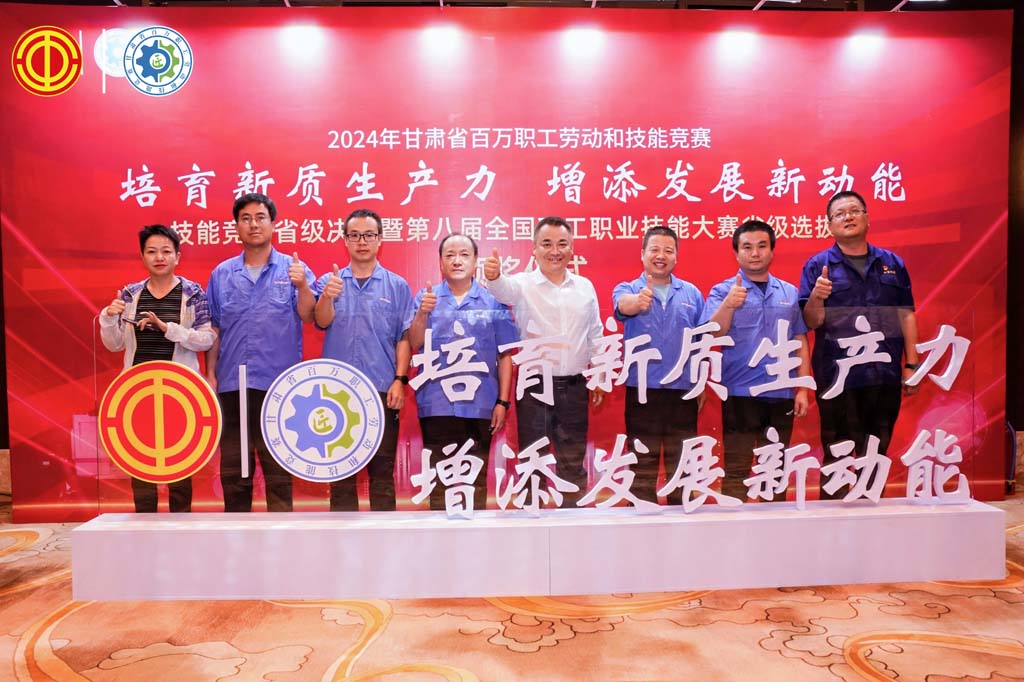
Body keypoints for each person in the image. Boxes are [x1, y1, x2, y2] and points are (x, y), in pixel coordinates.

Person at [799, 190, 919, 499]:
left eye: (854, 210)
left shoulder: (892, 263)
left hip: (884, 373)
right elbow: (810, 322)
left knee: (876, 451)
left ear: (867, 218)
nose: (848, 217)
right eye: (839, 214)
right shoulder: (818, 266)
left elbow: (906, 314)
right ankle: (832, 520)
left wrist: (912, 365)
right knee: (837, 451)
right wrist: (817, 296)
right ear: (829, 225)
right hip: (837, 377)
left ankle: (870, 517)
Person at [484, 216, 603, 508]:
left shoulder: (585, 287)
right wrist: (494, 276)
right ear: (535, 249)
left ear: (572, 248)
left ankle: (572, 522)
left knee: (572, 462)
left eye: (562, 244)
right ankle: (531, 526)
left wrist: (600, 375)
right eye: (547, 244)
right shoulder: (523, 284)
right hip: (534, 388)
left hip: (575, 386)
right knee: (532, 461)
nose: (555, 251)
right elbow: (502, 289)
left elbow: (595, 335)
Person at [206, 193, 315, 512]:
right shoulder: (222, 274)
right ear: (236, 226)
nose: (253, 224)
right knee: (235, 468)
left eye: (260, 218)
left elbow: (309, 316)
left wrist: (302, 286)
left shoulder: (294, 269)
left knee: (278, 468)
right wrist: (210, 373)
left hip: (280, 386)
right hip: (232, 384)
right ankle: (236, 532)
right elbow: (214, 329)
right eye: (246, 218)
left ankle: (281, 534)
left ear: (272, 223)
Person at [99, 224, 216, 513]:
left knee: (180, 463)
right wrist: (108, 317)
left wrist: (167, 328)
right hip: (137, 393)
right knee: (140, 462)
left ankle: (180, 524)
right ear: (142, 257)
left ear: (178, 256)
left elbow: (206, 339)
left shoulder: (193, 293)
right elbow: (114, 344)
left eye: (166, 251)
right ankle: (144, 523)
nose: (159, 257)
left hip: (180, 393)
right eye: (152, 252)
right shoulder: (131, 294)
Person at [408, 233, 518, 512]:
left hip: (480, 404)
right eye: (450, 255)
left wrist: (503, 402)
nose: (457, 261)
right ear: (441, 263)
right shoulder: (427, 298)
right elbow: (414, 343)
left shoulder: (493, 301)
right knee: (439, 480)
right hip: (436, 403)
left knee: (475, 481)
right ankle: (438, 537)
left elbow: (505, 354)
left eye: (464, 255)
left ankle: (477, 537)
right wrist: (422, 314)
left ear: (475, 261)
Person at [313, 208, 414, 512]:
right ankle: (342, 539)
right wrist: (327, 296)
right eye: (354, 235)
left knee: (382, 473)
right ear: (345, 240)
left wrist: (400, 380)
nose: (361, 242)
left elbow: (403, 338)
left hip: (381, 389)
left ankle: (384, 539)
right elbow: (321, 321)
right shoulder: (330, 281)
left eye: (368, 235)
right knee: (341, 473)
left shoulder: (396, 286)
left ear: (380, 240)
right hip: (337, 393)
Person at [705, 220, 811, 500]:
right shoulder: (723, 291)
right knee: (737, 467)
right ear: (736, 253)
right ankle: (733, 524)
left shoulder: (789, 292)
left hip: (780, 392)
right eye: (747, 247)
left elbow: (800, 340)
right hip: (739, 393)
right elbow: (713, 333)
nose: (755, 253)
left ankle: (772, 526)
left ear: (772, 251)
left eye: (762, 246)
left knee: (775, 469)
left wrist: (802, 388)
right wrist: (729, 304)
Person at [612, 225, 705, 505]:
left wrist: (700, 381)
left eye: (668, 250)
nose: (661, 256)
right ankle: (641, 515)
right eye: (654, 249)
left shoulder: (691, 293)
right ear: (642, 254)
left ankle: (682, 516)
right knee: (642, 461)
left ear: (676, 256)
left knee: (682, 462)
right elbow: (622, 305)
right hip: (643, 390)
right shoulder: (628, 288)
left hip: (682, 390)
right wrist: (637, 302)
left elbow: (701, 341)